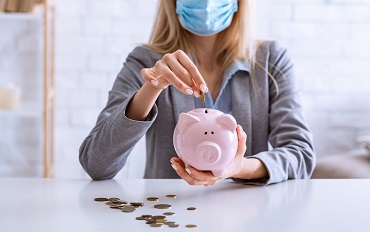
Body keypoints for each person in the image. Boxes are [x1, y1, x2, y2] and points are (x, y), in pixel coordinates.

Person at [79, 0, 316, 186]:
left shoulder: (270, 61)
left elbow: (301, 155)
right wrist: (151, 88)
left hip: (248, 215)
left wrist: (239, 168)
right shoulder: (146, 61)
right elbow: (96, 164)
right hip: (169, 214)